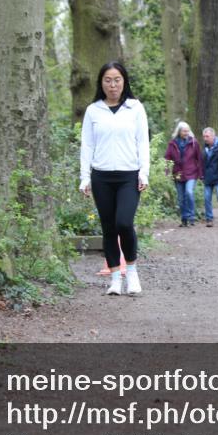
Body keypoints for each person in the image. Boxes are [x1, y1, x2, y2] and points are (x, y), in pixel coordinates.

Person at [79, 61, 150, 296]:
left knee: (124, 223)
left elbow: (143, 142)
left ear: (124, 81)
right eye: (108, 80)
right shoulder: (93, 110)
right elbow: (87, 145)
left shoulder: (135, 108)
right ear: (101, 83)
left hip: (129, 176)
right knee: (108, 228)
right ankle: (114, 279)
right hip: (101, 177)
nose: (113, 85)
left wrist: (144, 173)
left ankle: (131, 271)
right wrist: (85, 177)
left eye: (117, 80)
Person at [164, 122, 204, 227]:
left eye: (187, 130)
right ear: (179, 131)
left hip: (191, 173)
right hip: (178, 174)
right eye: (184, 131)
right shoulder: (172, 143)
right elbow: (167, 159)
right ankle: (184, 218)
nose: (186, 133)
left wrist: (201, 174)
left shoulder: (194, 142)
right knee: (181, 198)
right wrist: (166, 172)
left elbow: (199, 159)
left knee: (189, 192)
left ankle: (191, 217)